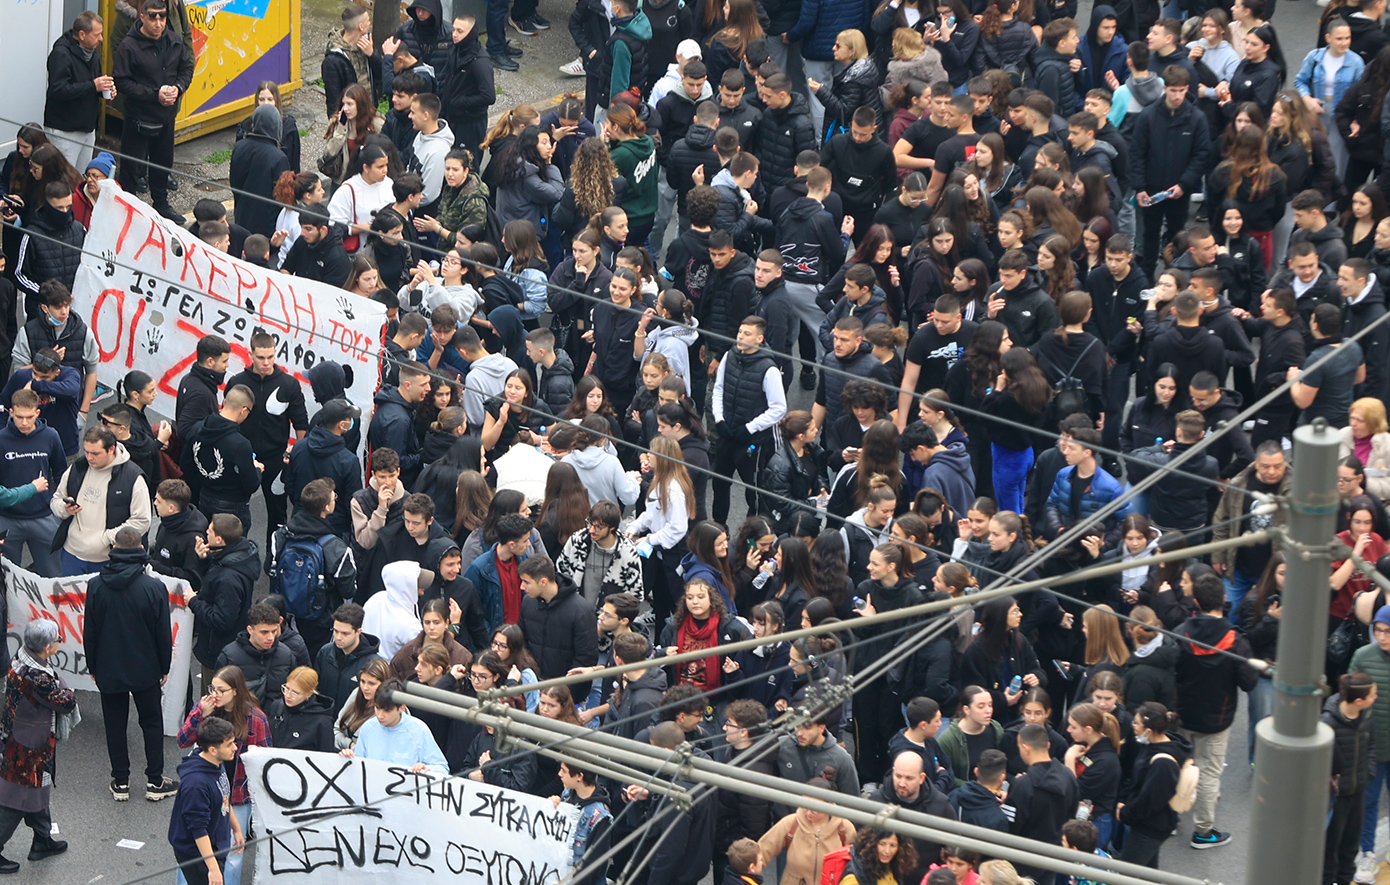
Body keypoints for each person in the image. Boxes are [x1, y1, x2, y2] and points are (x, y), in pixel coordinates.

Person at [84, 527, 176, 803]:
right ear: (140, 548)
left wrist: (93, 666)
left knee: (115, 724)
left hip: (109, 667)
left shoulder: (97, 586)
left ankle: (121, 781)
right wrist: (164, 667)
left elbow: (91, 631)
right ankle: (155, 780)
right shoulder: (154, 588)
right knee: (151, 722)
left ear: (114, 547)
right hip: (146, 667)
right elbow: (163, 632)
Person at [1174, 574, 1258, 849]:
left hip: (1183, 713)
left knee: (1178, 765)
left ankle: (1171, 819)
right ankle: (1203, 831)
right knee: (1209, 773)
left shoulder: (1179, 632)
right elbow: (1248, 682)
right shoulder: (1235, 640)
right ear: (1224, 599)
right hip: (1218, 719)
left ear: (1195, 601)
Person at [176, 666, 270, 885]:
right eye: (213, 688)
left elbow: (265, 761)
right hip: (208, 787)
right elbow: (182, 741)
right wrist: (200, 714)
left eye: (221, 690)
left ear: (236, 691)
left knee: (232, 851)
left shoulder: (256, 718)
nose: (214, 695)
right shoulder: (206, 708)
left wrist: (255, 754)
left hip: (237, 791)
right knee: (193, 846)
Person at [1130, 66, 1213, 277]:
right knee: (1149, 236)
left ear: (1187, 89)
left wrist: (1184, 184)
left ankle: (1175, 277)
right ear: (1164, 88)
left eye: (1181, 90)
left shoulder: (1197, 118)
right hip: (1151, 190)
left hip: (1179, 191)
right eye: (1173, 90)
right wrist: (1139, 187)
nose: (1177, 96)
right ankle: (1147, 278)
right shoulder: (1148, 116)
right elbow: (1137, 153)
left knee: (1178, 237)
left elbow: (1201, 155)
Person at [711, 316, 788, 524]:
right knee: (719, 485)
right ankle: (718, 530)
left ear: (759, 339)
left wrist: (750, 428)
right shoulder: (730, 355)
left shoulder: (769, 369)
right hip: (727, 434)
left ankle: (751, 538)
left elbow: (779, 408)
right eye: (740, 331)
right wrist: (719, 419)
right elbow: (719, 388)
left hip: (754, 441)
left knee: (754, 493)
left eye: (747, 333)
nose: (741, 336)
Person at [48, 425, 152, 575]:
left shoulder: (133, 478)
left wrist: (106, 538)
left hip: (109, 559)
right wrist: (64, 509)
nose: (89, 457)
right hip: (72, 554)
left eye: (95, 453)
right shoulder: (77, 468)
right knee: (72, 599)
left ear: (111, 449)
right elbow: (56, 500)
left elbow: (142, 521)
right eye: (86, 451)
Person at [185, 515, 261, 686]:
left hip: (218, 652)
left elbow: (222, 620)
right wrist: (203, 559)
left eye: (210, 530)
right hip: (225, 647)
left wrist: (193, 601)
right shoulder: (236, 556)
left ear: (219, 539)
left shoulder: (228, 578)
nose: (206, 532)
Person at [1115, 702, 1190, 868]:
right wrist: (1123, 799)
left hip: (1150, 828)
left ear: (1149, 731)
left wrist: (1126, 813)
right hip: (1148, 823)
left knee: (1126, 873)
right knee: (1148, 872)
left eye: (1137, 723)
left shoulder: (1163, 763)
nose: (1133, 726)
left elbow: (1149, 801)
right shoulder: (1153, 745)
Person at [517, 555, 600, 679]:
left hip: (564, 692)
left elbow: (586, 658)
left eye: (526, 582)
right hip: (533, 683)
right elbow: (522, 641)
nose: (522, 587)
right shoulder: (528, 602)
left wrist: (565, 691)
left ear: (543, 582)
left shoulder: (581, 611)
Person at [343, 678, 448, 774]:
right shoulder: (368, 728)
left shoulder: (419, 730)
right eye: (377, 708)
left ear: (402, 707)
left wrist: (426, 768)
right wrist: (348, 757)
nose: (380, 715)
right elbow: (358, 765)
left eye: (387, 711)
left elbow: (442, 768)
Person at [1291, 302, 1367, 428]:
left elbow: (1303, 401)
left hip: (1318, 423)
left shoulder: (1317, 359)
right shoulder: (1352, 345)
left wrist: (1293, 379)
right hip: (1345, 418)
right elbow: (1360, 378)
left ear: (1315, 325)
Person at [265, 666, 336, 753]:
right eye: (286, 688)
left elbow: (326, 755)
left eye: (295, 692)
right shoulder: (277, 706)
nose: (288, 695)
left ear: (309, 694)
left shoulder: (321, 721)